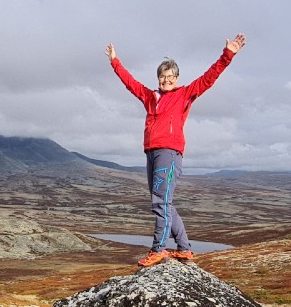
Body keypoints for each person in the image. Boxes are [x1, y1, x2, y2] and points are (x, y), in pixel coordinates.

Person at [105, 33, 246, 267]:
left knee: (160, 202)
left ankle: (158, 249)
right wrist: (115, 61)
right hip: (151, 152)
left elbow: (209, 78)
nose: (166, 80)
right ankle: (184, 249)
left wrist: (227, 54)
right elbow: (130, 83)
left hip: (169, 152)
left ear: (177, 78)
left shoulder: (184, 94)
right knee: (164, 202)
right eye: (162, 76)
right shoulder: (150, 97)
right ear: (158, 78)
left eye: (170, 76)